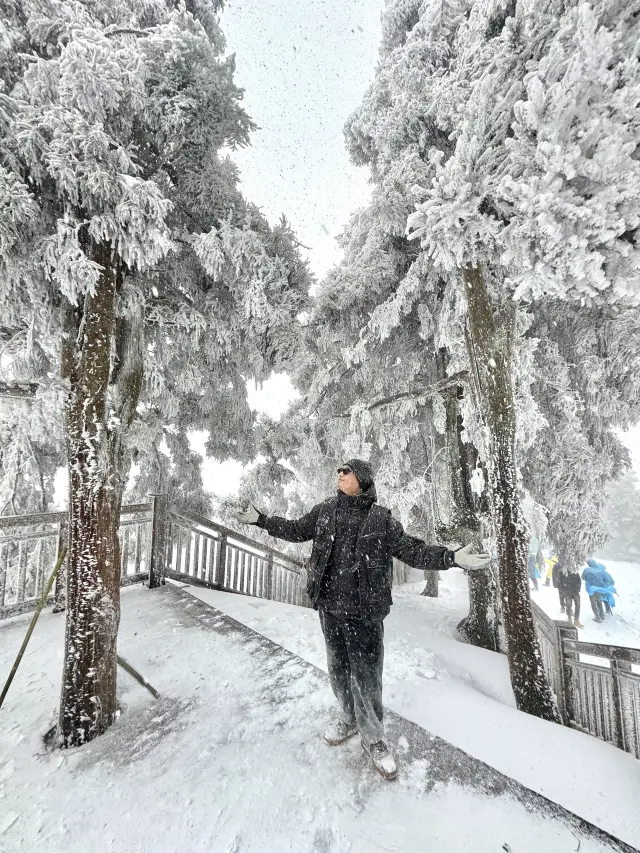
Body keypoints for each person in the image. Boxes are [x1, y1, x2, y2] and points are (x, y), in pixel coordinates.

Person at [235, 458, 490, 781]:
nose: (339, 475)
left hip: (365, 614)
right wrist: (261, 520)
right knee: (338, 671)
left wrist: (451, 557)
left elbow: (412, 550)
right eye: (339, 471)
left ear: (363, 480)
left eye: (347, 471)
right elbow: (297, 530)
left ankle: (375, 739)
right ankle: (347, 718)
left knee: (367, 679)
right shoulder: (326, 511)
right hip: (330, 608)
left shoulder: (381, 519)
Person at [582, 559, 616, 623]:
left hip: (592, 589)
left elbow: (583, 577)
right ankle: (602, 615)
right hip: (600, 590)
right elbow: (608, 580)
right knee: (599, 601)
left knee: (593, 602)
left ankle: (597, 617)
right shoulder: (601, 571)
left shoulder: (586, 570)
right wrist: (603, 585)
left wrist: (590, 580)